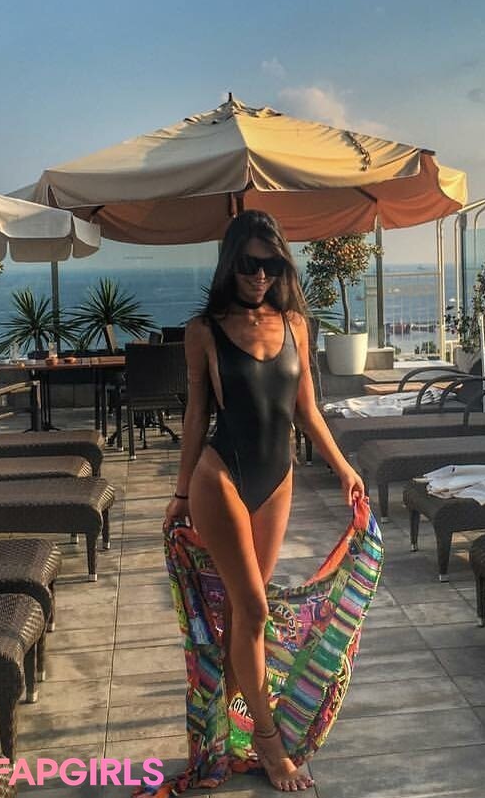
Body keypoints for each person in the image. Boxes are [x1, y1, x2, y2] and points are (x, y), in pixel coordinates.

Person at [164, 210, 365, 792]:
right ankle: (269, 743)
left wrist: (344, 467)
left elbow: (307, 409)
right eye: (249, 264)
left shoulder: (296, 323)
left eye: (271, 264)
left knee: (242, 618)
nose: (259, 276)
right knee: (253, 610)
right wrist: (181, 491)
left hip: (277, 481)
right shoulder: (204, 330)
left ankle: (227, 729)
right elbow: (197, 415)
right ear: (230, 263)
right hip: (220, 477)